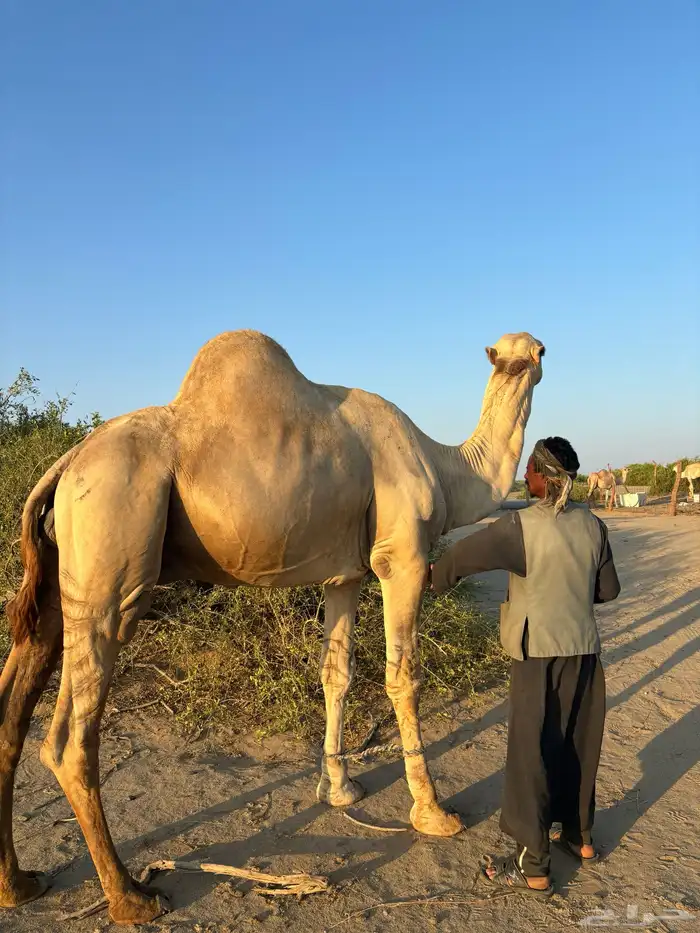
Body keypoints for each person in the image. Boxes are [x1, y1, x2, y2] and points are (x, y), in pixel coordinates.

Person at [429, 436, 620, 896]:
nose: (526, 475)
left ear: (540, 476)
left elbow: (462, 557)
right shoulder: (594, 525)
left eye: (530, 468)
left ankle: (532, 864)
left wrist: (432, 579)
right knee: (577, 744)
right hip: (585, 654)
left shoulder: (520, 527)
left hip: (538, 656)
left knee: (530, 755)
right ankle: (579, 837)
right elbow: (608, 590)